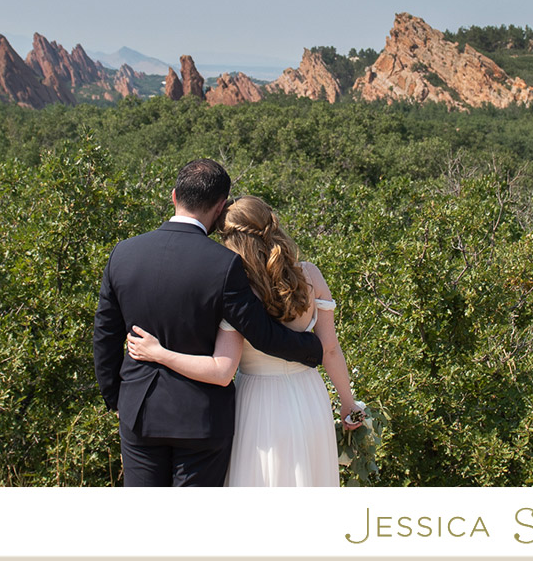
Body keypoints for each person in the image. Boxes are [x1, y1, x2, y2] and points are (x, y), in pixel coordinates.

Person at [92, 159, 325, 487]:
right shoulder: (225, 265)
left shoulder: (124, 254)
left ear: (174, 196)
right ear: (220, 207)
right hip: (200, 420)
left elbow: (104, 335)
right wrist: (313, 348)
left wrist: (116, 400)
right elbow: (261, 333)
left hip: (139, 412)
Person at [125, 195, 363, 487]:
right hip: (309, 398)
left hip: (257, 405)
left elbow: (221, 369)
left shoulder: (236, 291)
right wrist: (348, 403)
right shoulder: (310, 275)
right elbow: (330, 350)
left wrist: (159, 353)